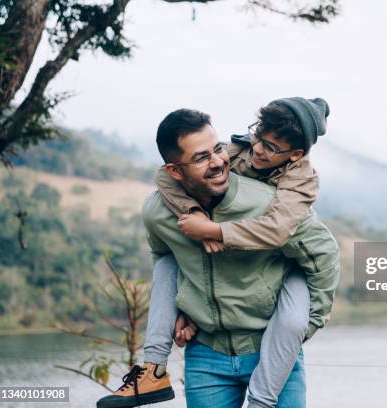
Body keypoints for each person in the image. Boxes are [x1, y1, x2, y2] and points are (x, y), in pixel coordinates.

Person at [96, 106, 340, 408]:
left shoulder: (280, 195)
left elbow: (316, 250)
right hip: (205, 355)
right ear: (176, 170)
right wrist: (184, 299)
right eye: (201, 157)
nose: (218, 161)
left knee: (291, 320)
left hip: (270, 349)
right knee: (167, 262)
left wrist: (302, 328)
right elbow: (166, 253)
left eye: (215, 150)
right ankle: (153, 369)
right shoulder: (162, 208)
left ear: (294, 153)